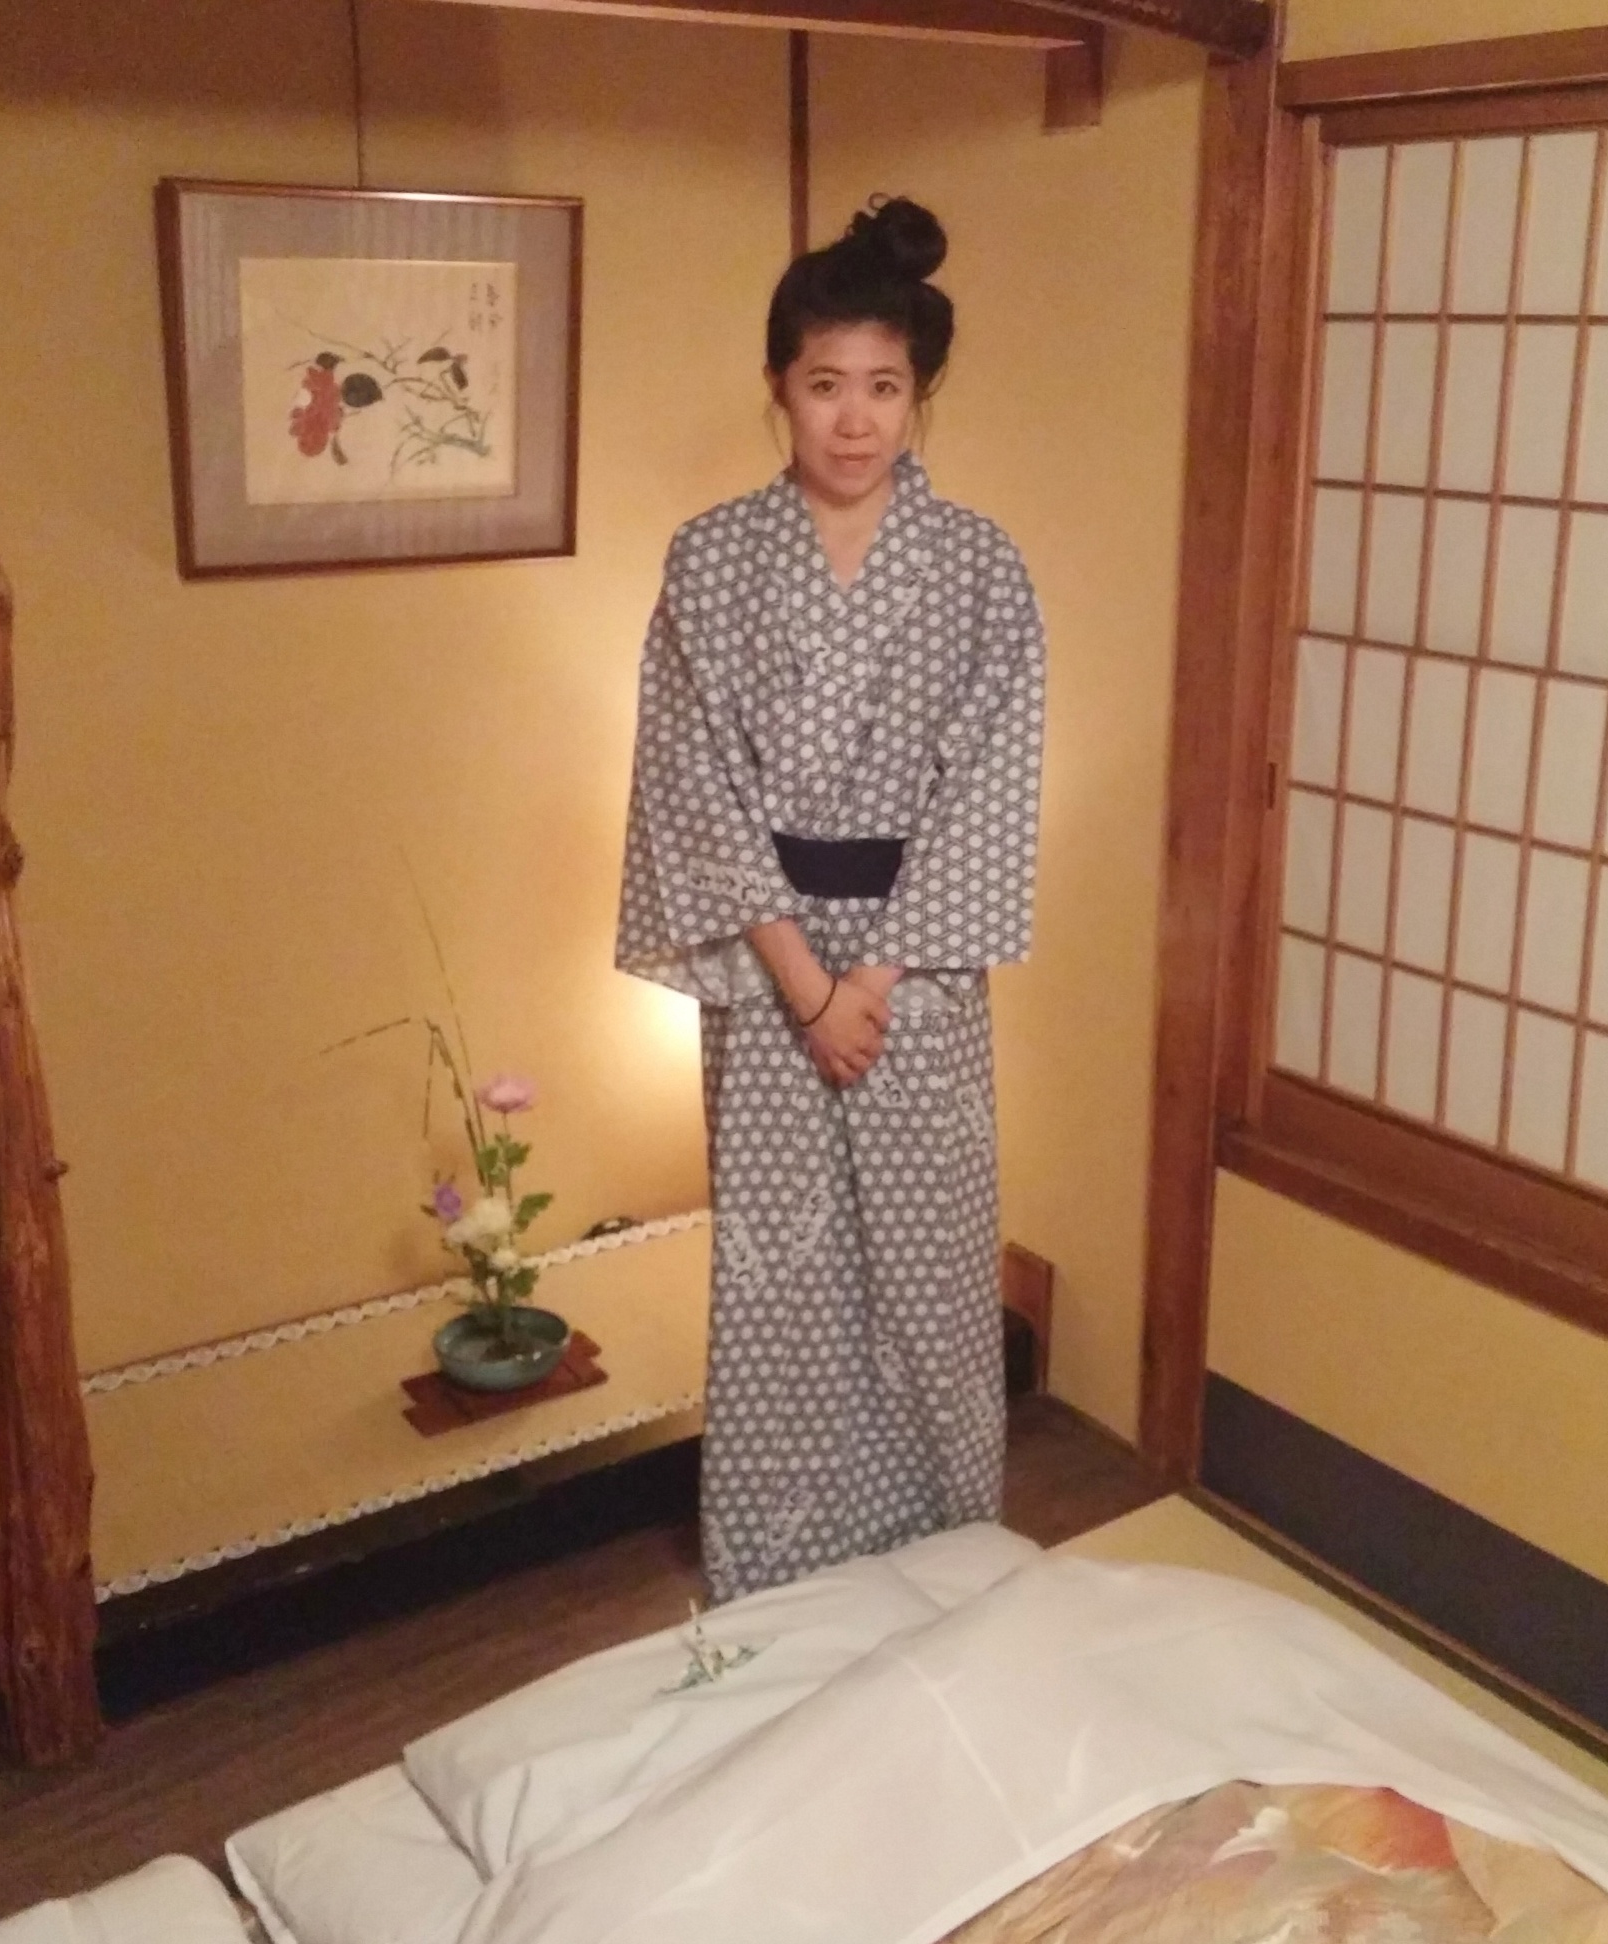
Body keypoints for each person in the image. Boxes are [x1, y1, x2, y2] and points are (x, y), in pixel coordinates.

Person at [615, 196, 1045, 1605]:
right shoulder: (710, 559)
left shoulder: (979, 567)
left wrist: (873, 981)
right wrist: (806, 985)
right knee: (781, 1271)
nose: (854, 421)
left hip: (918, 966)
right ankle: (780, 1561)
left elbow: (990, 783)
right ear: (777, 387)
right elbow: (693, 779)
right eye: (823, 385)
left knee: (930, 1261)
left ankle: (946, 1542)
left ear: (920, 396)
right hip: (770, 958)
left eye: (884, 387)